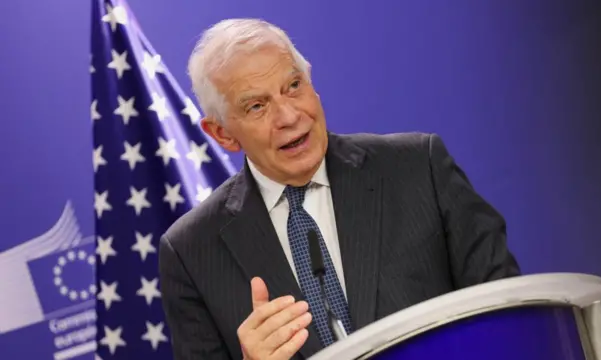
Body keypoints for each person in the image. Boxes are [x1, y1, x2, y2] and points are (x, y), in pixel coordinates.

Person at [158, 18, 521, 360]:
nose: (289, 116)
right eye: (257, 106)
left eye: (294, 86)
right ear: (222, 133)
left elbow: (513, 317)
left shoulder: (418, 168)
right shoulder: (190, 252)